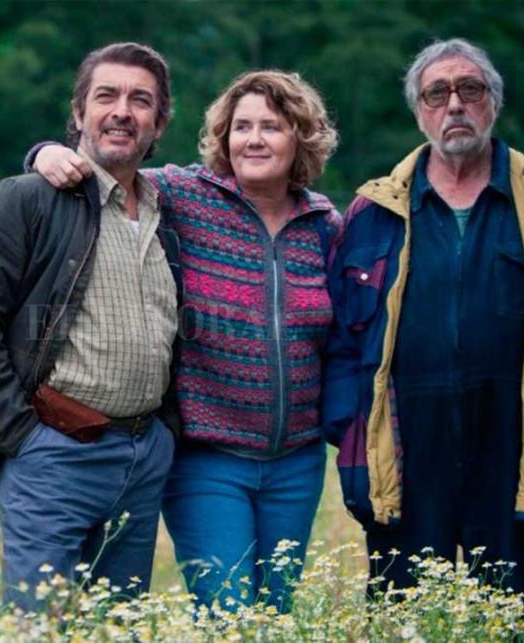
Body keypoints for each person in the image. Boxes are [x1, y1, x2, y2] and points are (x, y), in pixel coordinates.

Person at [323, 38, 524, 600]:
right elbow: (339, 339)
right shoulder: (374, 213)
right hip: (405, 449)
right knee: (406, 618)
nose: (454, 105)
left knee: (515, 616)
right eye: (436, 93)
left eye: (470, 89)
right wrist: (349, 431)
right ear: (419, 111)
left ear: (494, 102)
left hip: (517, 446)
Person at [29, 70, 341, 612]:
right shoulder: (184, 195)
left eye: (271, 127)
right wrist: (43, 153)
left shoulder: (323, 224)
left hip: (297, 459)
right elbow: (109, 171)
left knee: (276, 612)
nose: (254, 139)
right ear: (224, 137)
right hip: (207, 456)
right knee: (226, 611)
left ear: (301, 138)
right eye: (241, 127)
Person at [0, 42, 183, 611]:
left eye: (140, 100)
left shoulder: (169, 212)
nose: (122, 111)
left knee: (117, 627)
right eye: (106, 96)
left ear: (160, 123)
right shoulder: (28, 199)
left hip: (143, 456)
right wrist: (24, 437)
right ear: (78, 112)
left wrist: (163, 437)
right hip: (54, 451)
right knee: (36, 623)